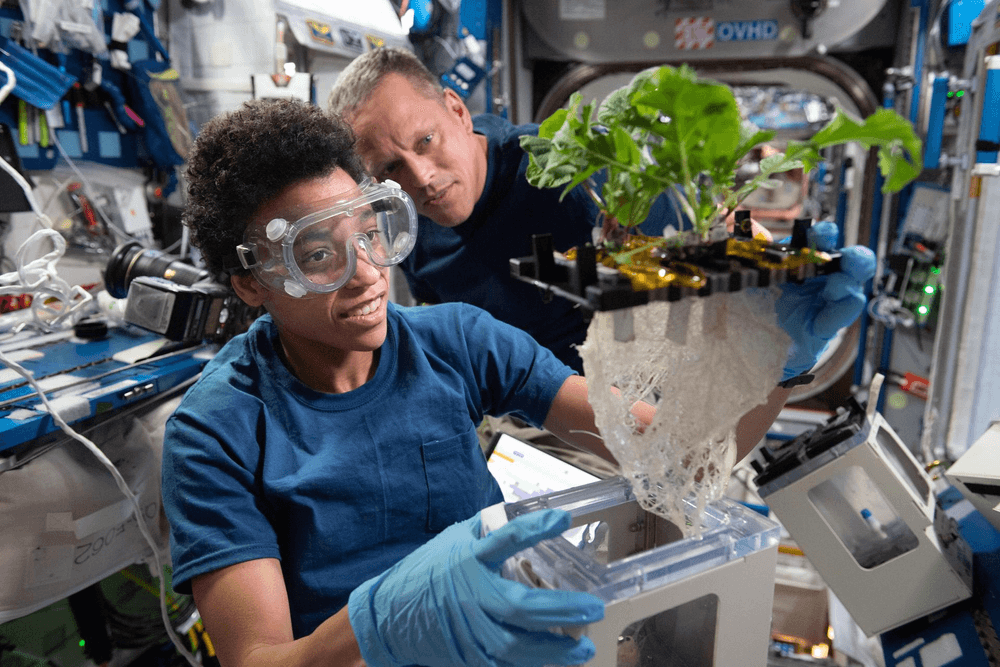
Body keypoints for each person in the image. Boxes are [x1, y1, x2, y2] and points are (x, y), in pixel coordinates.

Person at [159, 97, 842, 667]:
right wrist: (381, 621)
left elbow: (675, 458)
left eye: (370, 234)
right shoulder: (215, 428)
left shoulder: (456, 341)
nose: (367, 272)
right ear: (250, 281)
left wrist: (775, 366)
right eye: (317, 255)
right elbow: (258, 660)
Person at [327, 47, 685, 374]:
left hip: (630, 393)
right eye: (391, 168)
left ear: (457, 110)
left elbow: (687, 295)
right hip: (515, 416)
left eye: (426, 141)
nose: (422, 178)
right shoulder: (402, 227)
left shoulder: (571, 174)